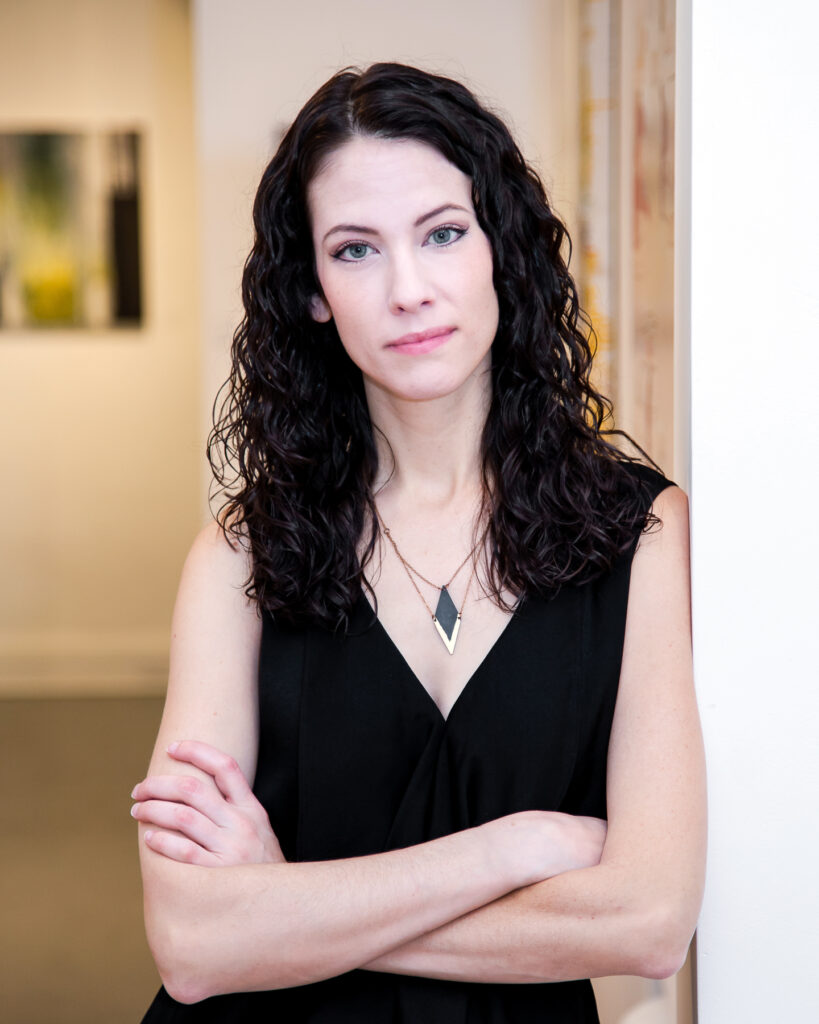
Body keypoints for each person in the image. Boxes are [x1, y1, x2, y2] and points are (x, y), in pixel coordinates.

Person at [132, 62, 706, 1023]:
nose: (408, 289)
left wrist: (284, 907)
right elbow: (193, 948)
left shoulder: (640, 533)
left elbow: (648, 921)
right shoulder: (239, 557)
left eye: (442, 233)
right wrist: (510, 851)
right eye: (354, 250)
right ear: (313, 291)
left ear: (499, 249)